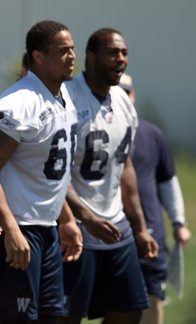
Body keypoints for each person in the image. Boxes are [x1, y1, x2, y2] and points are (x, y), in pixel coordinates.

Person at [0, 20, 82, 323]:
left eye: (73, 50)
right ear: (38, 56)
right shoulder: (20, 102)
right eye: (63, 51)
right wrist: (11, 229)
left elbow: (46, 172)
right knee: (19, 317)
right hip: (20, 227)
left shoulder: (64, 97)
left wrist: (67, 220)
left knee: (52, 316)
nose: (72, 56)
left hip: (46, 228)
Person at [61, 28, 158, 324]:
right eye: (113, 53)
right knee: (67, 315)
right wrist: (83, 216)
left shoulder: (124, 102)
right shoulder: (66, 99)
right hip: (77, 224)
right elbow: (52, 170)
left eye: (124, 53)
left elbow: (124, 166)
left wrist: (140, 226)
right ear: (90, 56)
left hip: (116, 223)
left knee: (129, 309)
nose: (121, 60)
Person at [120, 74, 192, 324]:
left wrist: (179, 223)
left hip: (151, 231)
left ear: (134, 95)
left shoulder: (152, 134)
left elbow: (167, 181)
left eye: (126, 91)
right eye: (117, 91)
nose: (123, 97)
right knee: (116, 305)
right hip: (111, 231)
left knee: (153, 297)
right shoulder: (99, 129)